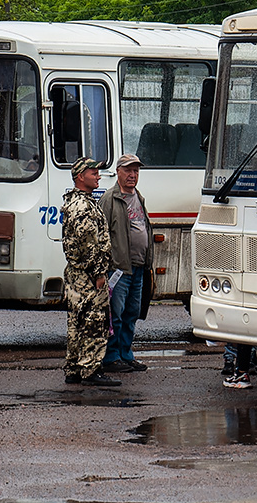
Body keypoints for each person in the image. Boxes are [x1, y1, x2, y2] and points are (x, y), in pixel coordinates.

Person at [61, 157, 119, 387]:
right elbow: (89, 244)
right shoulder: (83, 206)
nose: (98, 176)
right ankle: (91, 368)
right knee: (93, 320)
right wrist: (99, 273)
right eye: (93, 172)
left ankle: (74, 368)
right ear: (80, 176)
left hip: (77, 273)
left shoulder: (77, 202)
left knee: (76, 320)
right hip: (88, 275)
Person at [99, 154, 152, 375]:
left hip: (139, 267)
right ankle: (111, 357)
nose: (132, 175)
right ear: (118, 172)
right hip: (119, 268)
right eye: (128, 171)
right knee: (115, 315)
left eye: (136, 171)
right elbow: (101, 235)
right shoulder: (110, 199)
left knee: (132, 313)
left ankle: (125, 355)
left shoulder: (138, 196)